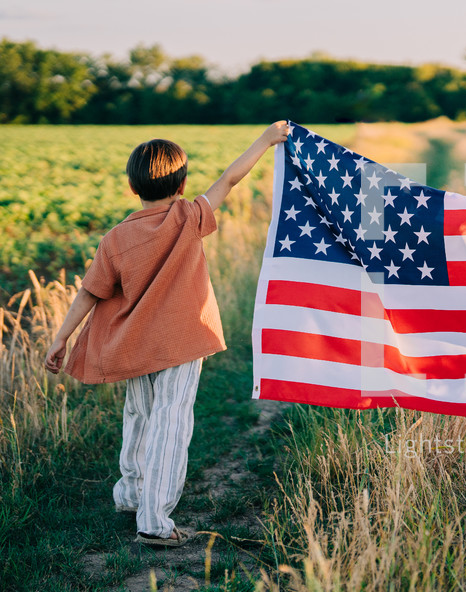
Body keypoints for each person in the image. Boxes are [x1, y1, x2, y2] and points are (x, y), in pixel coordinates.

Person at [45, 121, 290, 546]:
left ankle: (131, 493)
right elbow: (231, 178)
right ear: (182, 184)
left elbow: (89, 293)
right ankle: (154, 522)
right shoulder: (189, 216)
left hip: (134, 346)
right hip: (181, 342)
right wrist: (266, 140)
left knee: (139, 417)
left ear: (131, 185)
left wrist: (61, 338)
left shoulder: (116, 239)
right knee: (170, 423)